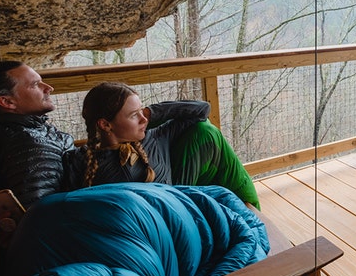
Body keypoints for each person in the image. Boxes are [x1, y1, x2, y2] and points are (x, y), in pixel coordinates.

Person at [62, 81, 261, 208]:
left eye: (142, 111)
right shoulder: (81, 160)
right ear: (105, 125)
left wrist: (151, 113)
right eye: (134, 115)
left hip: (175, 211)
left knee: (208, 132)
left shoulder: (155, 137)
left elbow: (202, 110)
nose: (143, 119)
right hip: (135, 230)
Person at [0, 61, 74, 210]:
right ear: (7, 101)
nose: (49, 88)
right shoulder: (29, 146)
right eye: (35, 84)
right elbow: (40, 213)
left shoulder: (26, 129)